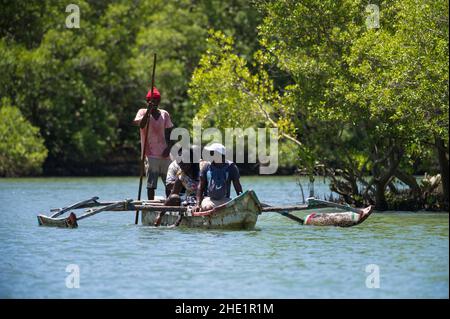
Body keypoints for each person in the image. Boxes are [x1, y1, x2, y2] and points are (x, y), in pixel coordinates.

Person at [132, 87, 173, 200]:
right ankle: (151, 204)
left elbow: (170, 132)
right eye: (152, 100)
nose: (154, 102)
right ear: (148, 101)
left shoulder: (164, 114)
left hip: (165, 154)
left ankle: (170, 203)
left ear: (159, 101)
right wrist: (148, 112)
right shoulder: (142, 112)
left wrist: (169, 148)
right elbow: (141, 125)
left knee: (170, 182)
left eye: (156, 100)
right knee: (151, 184)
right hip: (150, 154)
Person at [194, 143, 243, 212]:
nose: (209, 155)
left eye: (211, 153)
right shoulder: (206, 166)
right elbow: (200, 186)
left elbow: (237, 186)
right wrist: (198, 204)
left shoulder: (231, 167)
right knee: (208, 208)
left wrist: (242, 202)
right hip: (210, 199)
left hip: (225, 200)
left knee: (232, 209)